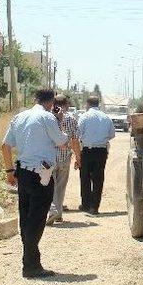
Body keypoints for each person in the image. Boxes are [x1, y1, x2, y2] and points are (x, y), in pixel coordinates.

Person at [1, 88, 68, 278]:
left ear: (35, 99)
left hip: (22, 172)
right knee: (36, 221)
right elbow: (62, 142)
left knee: (26, 218)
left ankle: (31, 262)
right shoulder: (48, 118)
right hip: (42, 175)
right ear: (52, 102)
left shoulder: (19, 117)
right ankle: (30, 266)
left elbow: (5, 146)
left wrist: (9, 172)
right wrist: (60, 120)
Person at [46, 94, 82, 225]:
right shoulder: (71, 119)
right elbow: (75, 140)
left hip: (48, 157)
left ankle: (53, 212)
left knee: (49, 186)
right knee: (60, 187)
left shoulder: (47, 117)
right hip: (64, 157)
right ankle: (57, 213)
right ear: (66, 104)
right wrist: (78, 158)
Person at [77, 95, 115, 215]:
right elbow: (112, 135)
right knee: (98, 179)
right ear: (98, 104)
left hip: (87, 151)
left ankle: (86, 204)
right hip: (101, 151)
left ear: (87, 104)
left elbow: (78, 133)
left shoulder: (84, 117)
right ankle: (94, 207)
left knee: (85, 178)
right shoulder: (106, 117)